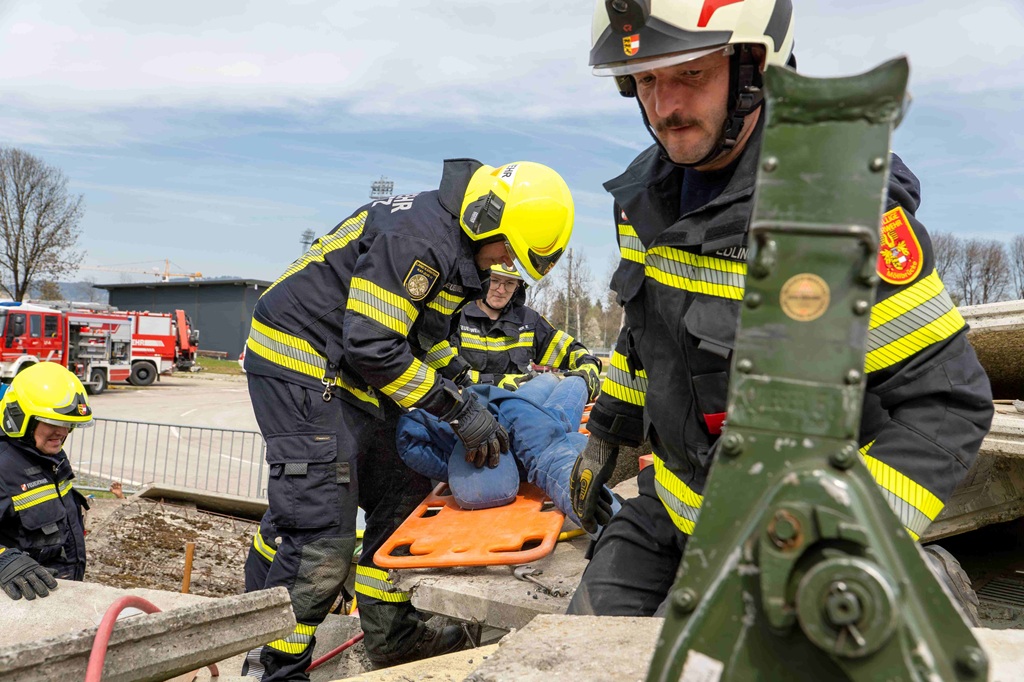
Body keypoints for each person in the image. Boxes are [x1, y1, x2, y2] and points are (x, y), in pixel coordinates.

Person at [568, 0, 993, 623]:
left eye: (691, 73)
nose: (664, 107)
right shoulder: (642, 199)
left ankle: (915, 580)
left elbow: (947, 405)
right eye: (647, 79)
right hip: (675, 512)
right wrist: (608, 432)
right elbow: (642, 338)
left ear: (755, 70)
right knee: (574, 651)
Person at [240, 159, 573, 679]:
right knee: (320, 532)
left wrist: (464, 387)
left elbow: (424, 338)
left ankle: (392, 639)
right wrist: (456, 410)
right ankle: (274, 667)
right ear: (487, 219)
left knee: (403, 487)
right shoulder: (419, 239)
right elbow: (373, 344)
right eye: (507, 252)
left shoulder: (458, 251)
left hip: (351, 373)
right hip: (302, 364)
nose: (504, 266)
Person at [0, 363, 94, 600]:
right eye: (53, 422)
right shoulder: (3, 466)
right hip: (21, 605)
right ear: (21, 418)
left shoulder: (49, 455)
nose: (63, 432)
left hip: (57, 596)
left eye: (68, 424)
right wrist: (3, 559)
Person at [453, 263, 603, 401]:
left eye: (509, 283)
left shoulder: (529, 321)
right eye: (495, 280)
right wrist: (497, 382)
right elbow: (450, 371)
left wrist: (588, 365)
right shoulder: (457, 317)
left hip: (519, 402)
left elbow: (568, 349)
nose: (501, 290)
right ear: (482, 279)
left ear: (518, 286)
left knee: (553, 380)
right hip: (472, 402)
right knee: (548, 380)